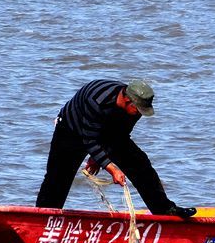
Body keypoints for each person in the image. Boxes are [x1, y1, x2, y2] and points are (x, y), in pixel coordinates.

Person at [36, 79, 196, 217]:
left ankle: (165, 210)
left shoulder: (135, 108)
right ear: (127, 101)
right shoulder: (97, 101)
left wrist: (98, 159)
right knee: (58, 178)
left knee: (140, 164)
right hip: (72, 130)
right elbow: (90, 140)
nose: (139, 114)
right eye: (138, 110)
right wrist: (112, 168)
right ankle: (43, 216)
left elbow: (121, 134)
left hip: (109, 130)